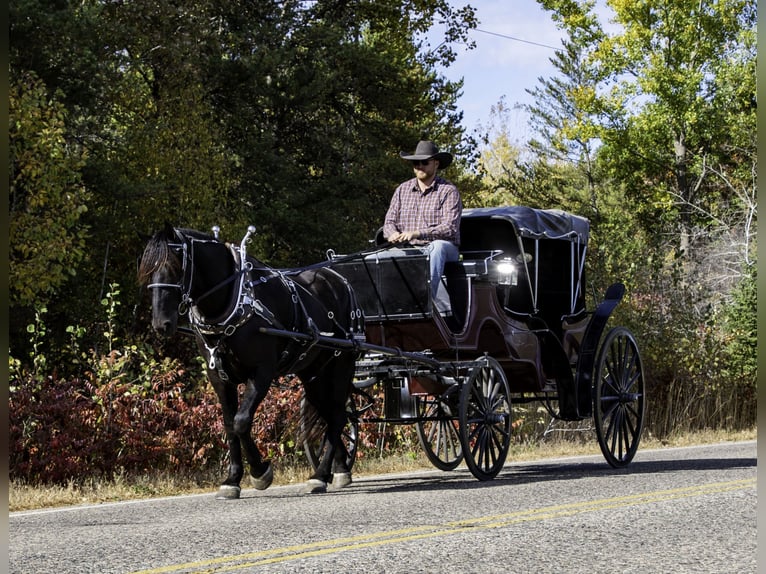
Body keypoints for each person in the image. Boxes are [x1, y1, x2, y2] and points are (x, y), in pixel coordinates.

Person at [382, 140, 462, 317]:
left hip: (443, 249)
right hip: (408, 248)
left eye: (424, 162)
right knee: (377, 258)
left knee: (437, 248)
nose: (419, 166)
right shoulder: (402, 190)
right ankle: (381, 307)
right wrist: (392, 234)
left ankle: (425, 302)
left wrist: (417, 233)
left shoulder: (448, 191)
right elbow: (389, 222)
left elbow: (449, 228)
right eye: (415, 163)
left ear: (436, 163)